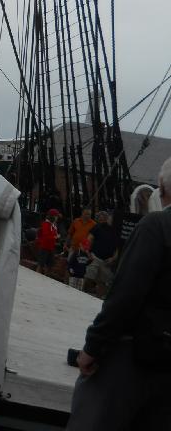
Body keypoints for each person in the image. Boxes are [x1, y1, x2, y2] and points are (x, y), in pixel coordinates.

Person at [67, 158, 171, 430]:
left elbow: (126, 295)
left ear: (162, 187)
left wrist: (93, 347)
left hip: (136, 354)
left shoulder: (157, 226)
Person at [84, 210, 118, 298]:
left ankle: (98, 300)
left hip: (107, 261)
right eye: (100, 217)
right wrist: (87, 251)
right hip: (95, 257)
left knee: (103, 283)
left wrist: (113, 258)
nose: (109, 219)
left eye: (106, 217)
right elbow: (89, 239)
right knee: (88, 277)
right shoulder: (98, 227)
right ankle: (81, 293)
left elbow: (118, 248)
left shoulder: (116, 231)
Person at [36, 208, 61, 275]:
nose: (57, 218)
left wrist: (56, 237)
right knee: (41, 264)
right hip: (44, 247)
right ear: (52, 216)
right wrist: (55, 237)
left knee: (49, 265)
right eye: (56, 216)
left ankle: (46, 278)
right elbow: (46, 236)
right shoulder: (46, 224)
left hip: (51, 248)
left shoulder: (54, 226)